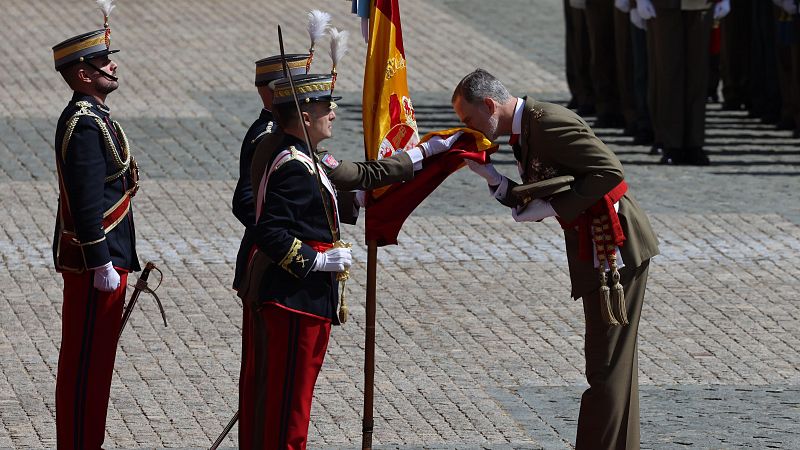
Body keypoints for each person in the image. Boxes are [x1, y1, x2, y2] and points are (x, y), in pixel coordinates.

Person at [236, 72, 459, 448]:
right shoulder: (293, 164)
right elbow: (270, 230)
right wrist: (317, 262)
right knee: (288, 406)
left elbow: (320, 199)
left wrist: (413, 163)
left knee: (289, 402)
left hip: (300, 301)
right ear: (305, 117)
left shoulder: (301, 155)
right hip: (295, 301)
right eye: (326, 107)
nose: (334, 112)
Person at [452, 69, 659, 450]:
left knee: (606, 365)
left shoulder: (547, 123)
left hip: (614, 247)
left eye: (469, 120)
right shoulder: (527, 127)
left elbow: (609, 171)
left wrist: (555, 207)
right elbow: (543, 187)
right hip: (597, 246)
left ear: (489, 105)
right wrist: (494, 180)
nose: (469, 128)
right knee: (613, 365)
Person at [51, 4, 141, 448]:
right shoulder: (84, 124)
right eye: (103, 62)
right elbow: (86, 201)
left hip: (106, 261)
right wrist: (100, 261)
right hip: (94, 267)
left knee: (97, 364)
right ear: (82, 74)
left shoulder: (96, 116)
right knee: (86, 364)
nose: (113, 65)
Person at [636, 0, 730, 165]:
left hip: (701, 4)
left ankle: (695, 143)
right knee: (668, 72)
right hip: (664, 5)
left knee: (698, 73)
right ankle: (672, 144)